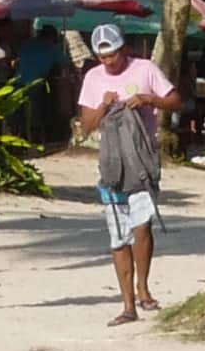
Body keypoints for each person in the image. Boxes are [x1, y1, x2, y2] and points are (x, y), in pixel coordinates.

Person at [74, 24, 172, 323]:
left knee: (142, 227)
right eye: (103, 57)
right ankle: (128, 303)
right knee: (119, 235)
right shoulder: (92, 78)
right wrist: (102, 107)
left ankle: (143, 287)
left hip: (142, 160)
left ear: (123, 49)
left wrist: (149, 99)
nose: (109, 62)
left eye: (113, 55)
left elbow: (175, 100)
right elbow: (86, 125)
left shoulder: (145, 69)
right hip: (112, 164)